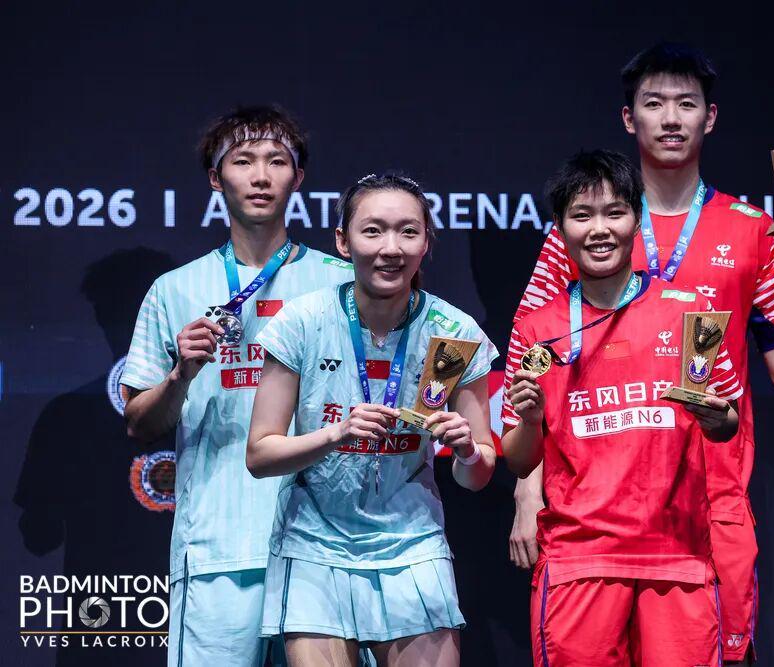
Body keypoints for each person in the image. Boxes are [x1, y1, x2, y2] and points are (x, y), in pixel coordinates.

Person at [506, 43, 774, 664]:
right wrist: (526, 492)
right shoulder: (590, 226)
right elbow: (538, 365)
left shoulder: (754, 229)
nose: (670, 119)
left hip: (709, 502)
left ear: (709, 117)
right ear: (628, 117)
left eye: (686, 104)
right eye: (654, 103)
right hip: (592, 510)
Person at [120, 105, 355, 666]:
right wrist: (181, 374)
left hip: (326, 547)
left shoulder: (343, 283)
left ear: (297, 178)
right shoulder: (175, 289)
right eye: (243, 160)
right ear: (215, 178)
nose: (261, 176)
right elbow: (139, 423)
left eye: (277, 161)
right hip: (217, 548)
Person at [503, 149, 744, 665]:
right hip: (579, 559)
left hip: (677, 556)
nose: (599, 229)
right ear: (559, 228)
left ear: (637, 219)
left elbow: (728, 423)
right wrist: (529, 419)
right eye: (581, 215)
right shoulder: (537, 329)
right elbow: (520, 459)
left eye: (615, 212)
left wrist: (715, 416)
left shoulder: (692, 312)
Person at [246, 173, 498, 667]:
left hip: (413, 545)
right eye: (373, 230)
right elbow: (260, 454)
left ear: (426, 242)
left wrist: (468, 450)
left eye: (408, 231)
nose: (391, 248)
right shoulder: (302, 321)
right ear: (343, 242)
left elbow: (477, 475)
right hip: (315, 544)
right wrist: (335, 433)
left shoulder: (454, 331)